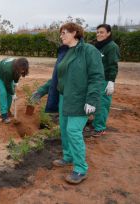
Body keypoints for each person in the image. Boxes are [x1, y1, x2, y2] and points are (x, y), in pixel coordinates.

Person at [50, 22, 104, 184]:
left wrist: (92, 99)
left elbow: (96, 76)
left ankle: (80, 169)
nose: (61, 36)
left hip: (81, 99)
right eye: (61, 33)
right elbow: (58, 76)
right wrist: (43, 90)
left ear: (75, 33)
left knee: (73, 131)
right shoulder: (67, 52)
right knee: (65, 130)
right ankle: (68, 156)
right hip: (64, 98)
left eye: (64, 32)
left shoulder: (89, 50)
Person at [91, 24, 120, 137]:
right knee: (93, 101)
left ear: (108, 33)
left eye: (102, 32)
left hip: (104, 80)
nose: (98, 34)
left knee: (102, 104)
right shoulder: (98, 46)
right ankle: (95, 123)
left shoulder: (112, 47)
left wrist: (111, 82)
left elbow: (113, 65)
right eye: (97, 32)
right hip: (95, 79)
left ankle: (100, 128)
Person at [0, 58, 29, 123]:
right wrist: (13, 94)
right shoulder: (8, 70)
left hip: (6, 75)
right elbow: (7, 85)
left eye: (24, 70)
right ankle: (4, 115)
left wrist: (15, 83)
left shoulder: (18, 66)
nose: (22, 71)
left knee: (10, 93)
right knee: (3, 92)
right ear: (17, 67)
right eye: (21, 69)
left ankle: (7, 110)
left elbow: (18, 74)